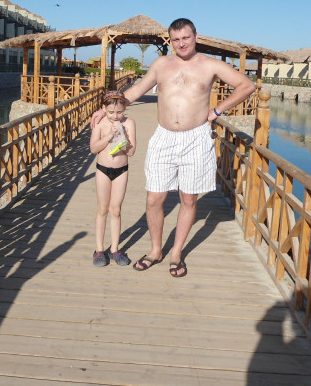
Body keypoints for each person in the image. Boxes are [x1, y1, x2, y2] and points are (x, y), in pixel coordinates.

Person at [92, 18, 256, 277]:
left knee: (188, 198)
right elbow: (135, 91)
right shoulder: (161, 64)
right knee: (153, 198)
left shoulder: (210, 64)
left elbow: (247, 85)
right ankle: (156, 250)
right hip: (164, 136)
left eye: (186, 38)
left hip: (196, 136)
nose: (181, 43)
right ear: (171, 41)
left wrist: (217, 111)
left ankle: (176, 253)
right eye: (176, 39)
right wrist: (106, 108)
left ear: (196, 37)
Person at [89, 90, 137, 266]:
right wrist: (109, 136)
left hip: (121, 171)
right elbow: (94, 148)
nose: (115, 116)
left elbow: (131, 152)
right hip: (103, 170)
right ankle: (99, 249)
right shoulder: (100, 123)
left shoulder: (129, 123)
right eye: (110, 112)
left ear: (124, 108)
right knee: (102, 209)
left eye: (119, 112)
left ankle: (115, 249)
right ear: (104, 109)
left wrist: (122, 137)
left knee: (115, 210)